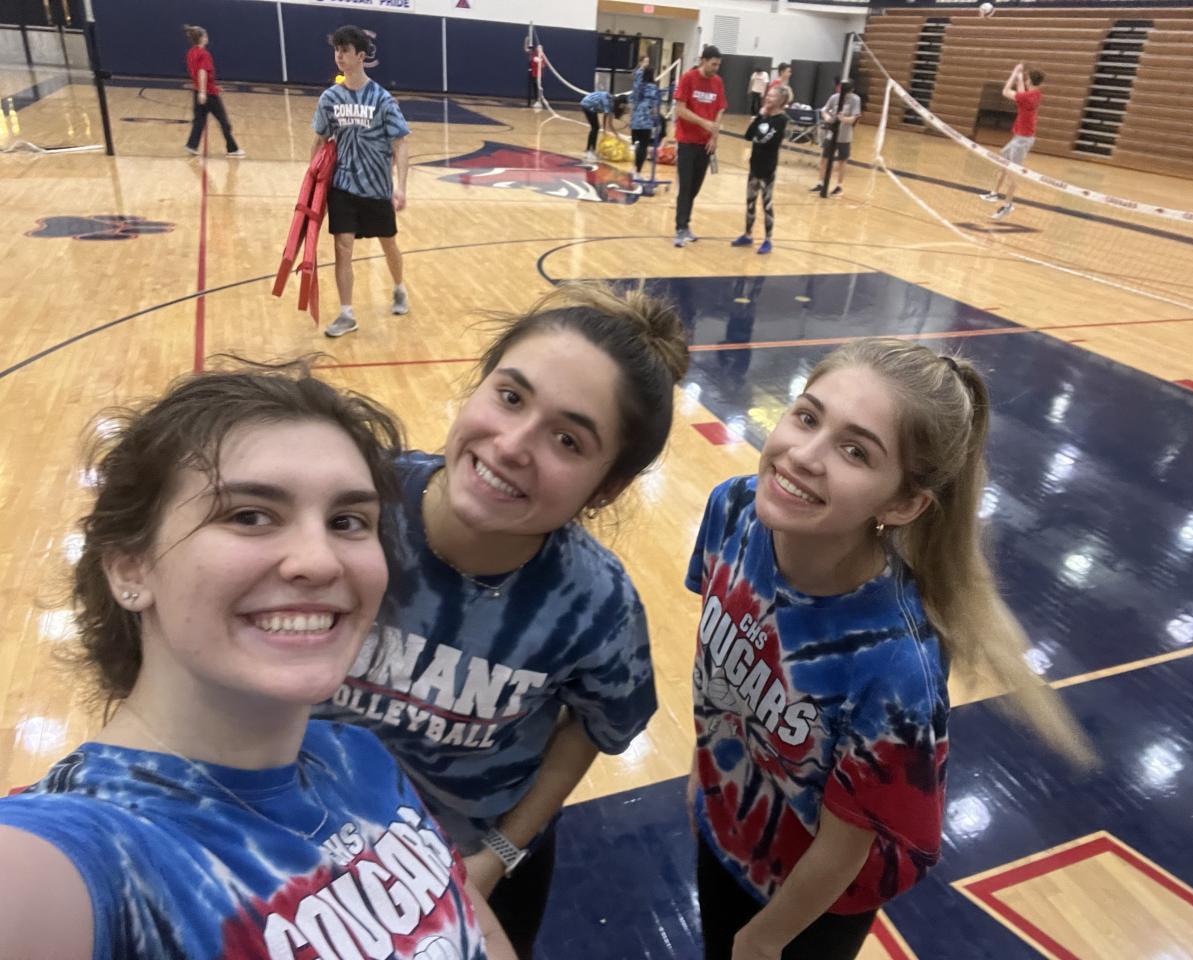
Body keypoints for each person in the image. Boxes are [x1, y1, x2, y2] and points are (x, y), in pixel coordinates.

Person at [0, 361, 516, 960]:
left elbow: (473, 924)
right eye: (249, 516)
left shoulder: (358, 755)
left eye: (347, 522)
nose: (319, 561)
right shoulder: (76, 853)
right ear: (130, 569)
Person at [316, 283, 691, 960]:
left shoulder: (598, 605)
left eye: (568, 440)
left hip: (473, 872)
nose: (513, 445)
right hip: (301, 853)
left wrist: (497, 855)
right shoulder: (348, 508)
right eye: (511, 397)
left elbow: (596, 727)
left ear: (606, 488)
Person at [686, 339, 1094, 959]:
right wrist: (703, 777)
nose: (804, 455)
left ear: (902, 504)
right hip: (725, 826)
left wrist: (765, 940)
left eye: (855, 450)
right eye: (807, 416)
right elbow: (721, 664)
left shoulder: (895, 663)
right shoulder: (735, 508)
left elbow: (847, 841)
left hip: (808, 902)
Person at [312, 25, 411, 339]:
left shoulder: (382, 100)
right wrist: (312, 183)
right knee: (342, 247)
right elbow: (319, 139)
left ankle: (399, 287)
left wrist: (401, 186)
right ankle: (346, 314)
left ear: (361, 56)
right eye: (336, 50)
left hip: (377, 188)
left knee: (388, 243)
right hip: (342, 186)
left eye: (345, 50)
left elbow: (400, 144)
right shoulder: (330, 98)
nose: (339, 56)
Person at [672, 45, 727, 248]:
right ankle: (680, 228)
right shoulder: (688, 78)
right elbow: (680, 110)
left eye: (718, 65)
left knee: (695, 187)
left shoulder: (718, 82)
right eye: (713, 64)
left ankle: (686, 224)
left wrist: (714, 136)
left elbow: (720, 109)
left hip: (705, 144)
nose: (715, 68)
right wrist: (704, 123)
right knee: (685, 186)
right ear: (703, 60)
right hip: (687, 141)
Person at [731, 83, 790, 255]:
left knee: (767, 204)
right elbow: (749, 136)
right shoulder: (763, 117)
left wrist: (760, 129)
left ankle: (768, 239)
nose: (768, 98)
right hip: (754, 166)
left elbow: (767, 140)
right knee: (750, 202)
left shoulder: (781, 120)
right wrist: (759, 116)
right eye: (768, 95)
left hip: (768, 169)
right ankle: (747, 235)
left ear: (781, 100)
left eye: (772, 96)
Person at [982, 63, 1044, 221]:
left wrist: (1014, 74)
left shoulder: (1027, 97)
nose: (1025, 81)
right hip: (1019, 137)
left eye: (1026, 79)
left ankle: (1008, 205)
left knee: (1013, 173)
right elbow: (1022, 93)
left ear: (1030, 81)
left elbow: (1005, 91)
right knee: (1003, 159)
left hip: (1023, 140)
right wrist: (1020, 78)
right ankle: (994, 194)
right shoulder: (1035, 94)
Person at [182, 25, 244, 158]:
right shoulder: (204, 54)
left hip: (198, 90)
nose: (207, 37)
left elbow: (197, 73)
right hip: (208, 94)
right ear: (201, 38)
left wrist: (207, 89)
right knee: (223, 121)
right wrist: (204, 92)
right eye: (205, 35)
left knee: (199, 120)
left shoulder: (191, 52)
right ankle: (232, 149)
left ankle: (192, 145)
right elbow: (202, 72)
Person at [811, 80, 860, 197]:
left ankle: (839, 186)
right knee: (824, 159)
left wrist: (844, 119)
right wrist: (827, 117)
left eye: (847, 92)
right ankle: (820, 183)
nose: (844, 94)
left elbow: (854, 118)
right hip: (831, 134)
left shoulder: (855, 100)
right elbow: (824, 110)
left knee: (842, 161)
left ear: (852, 90)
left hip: (844, 136)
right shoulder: (834, 97)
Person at [630, 66, 663, 176]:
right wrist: (657, 120)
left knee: (638, 145)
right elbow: (654, 106)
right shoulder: (653, 88)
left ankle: (634, 168)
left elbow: (631, 100)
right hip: (646, 120)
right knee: (643, 146)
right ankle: (638, 171)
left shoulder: (638, 87)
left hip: (635, 119)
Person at [580, 90, 629, 162]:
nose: (625, 107)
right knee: (595, 128)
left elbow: (609, 123)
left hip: (591, 106)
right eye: (625, 105)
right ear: (621, 104)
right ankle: (590, 151)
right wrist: (605, 130)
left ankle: (590, 150)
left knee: (595, 127)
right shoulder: (608, 103)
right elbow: (606, 119)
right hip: (587, 104)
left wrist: (616, 135)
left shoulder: (613, 105)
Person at [527, 43, 546, 108]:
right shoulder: (534, 55)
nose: (539, 49)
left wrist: (540, 61)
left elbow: (543, 65)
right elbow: (531, 64)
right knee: (535, 88)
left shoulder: (542, 56)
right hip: (534, 74)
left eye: (540, 48)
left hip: (539, 75)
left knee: (539, 88)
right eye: (538, 48)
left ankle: (539, 101)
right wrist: (534, 60)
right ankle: (536, 101)